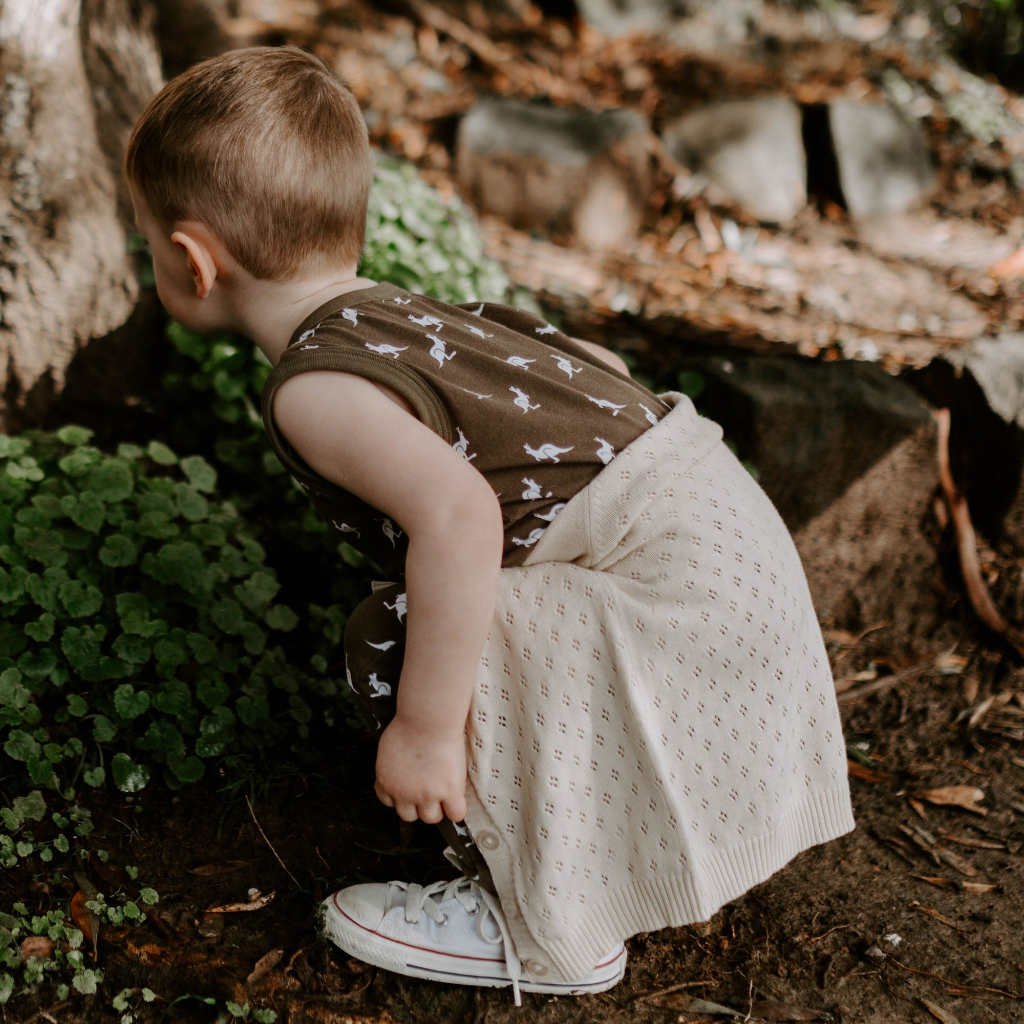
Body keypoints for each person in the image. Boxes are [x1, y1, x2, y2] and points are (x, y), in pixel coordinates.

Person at [124, 44, 856, 1005]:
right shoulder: (402, 316)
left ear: (192, 261)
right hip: (740, 571)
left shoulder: (314, 388)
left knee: (397, 630)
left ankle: (548, 924)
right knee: (448, 603)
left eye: (146, 243)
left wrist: (427, 731)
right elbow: (593, 362)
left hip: (689, 615)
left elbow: (463, 518)